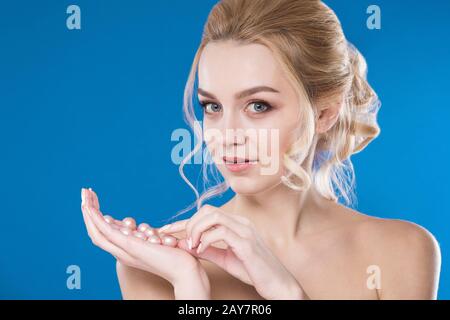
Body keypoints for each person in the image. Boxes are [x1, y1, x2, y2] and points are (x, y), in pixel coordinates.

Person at [80, 0, 441, 299]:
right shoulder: (155, 266)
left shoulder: (401, 252)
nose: (227, 136)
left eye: (258, 106)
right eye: (213, 107)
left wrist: (286, 292)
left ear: (325, 113)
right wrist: (190, 286)